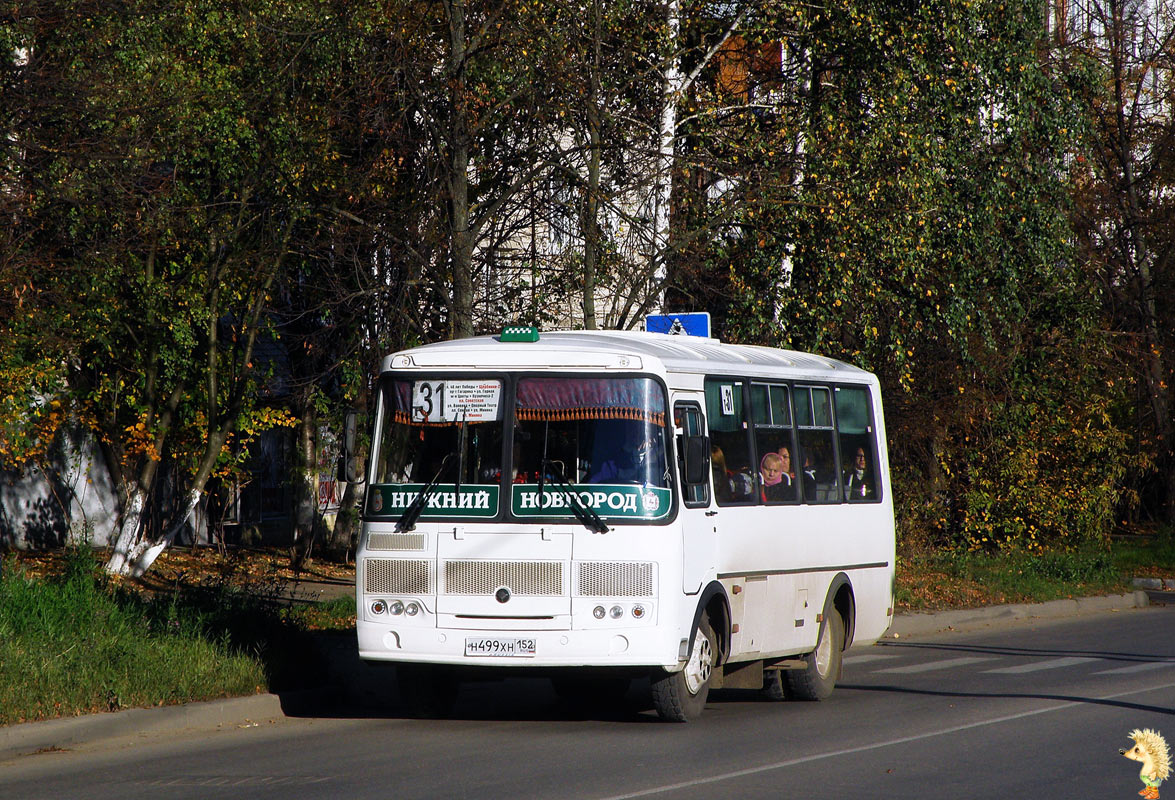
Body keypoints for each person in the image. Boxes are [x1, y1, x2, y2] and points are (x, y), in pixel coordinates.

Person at [588, 424, 663, 484]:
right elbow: (593, 486)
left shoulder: (664, 459)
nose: (637, 433)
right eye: (633, 429)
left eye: (641, 428)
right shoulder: (616, 463)